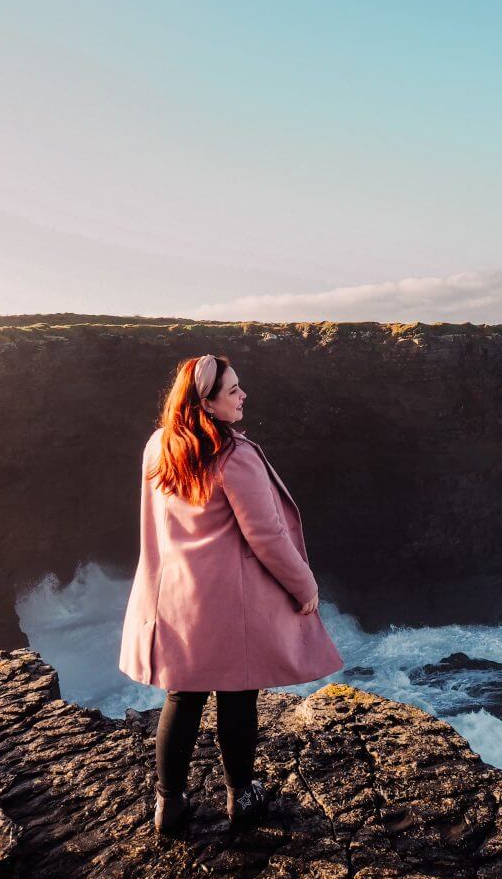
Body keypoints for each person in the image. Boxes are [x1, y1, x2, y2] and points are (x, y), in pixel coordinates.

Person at [118, 353, 344, 834]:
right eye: (234, 390)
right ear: (208, 403)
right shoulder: (234, 457)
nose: (243, 396)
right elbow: (267, 536)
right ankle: (242, 796)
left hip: (175, 599)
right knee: (238, 698)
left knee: (182, 698)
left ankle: (169, 806)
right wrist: (305, 586)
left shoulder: (158, 447)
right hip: (228, 606)